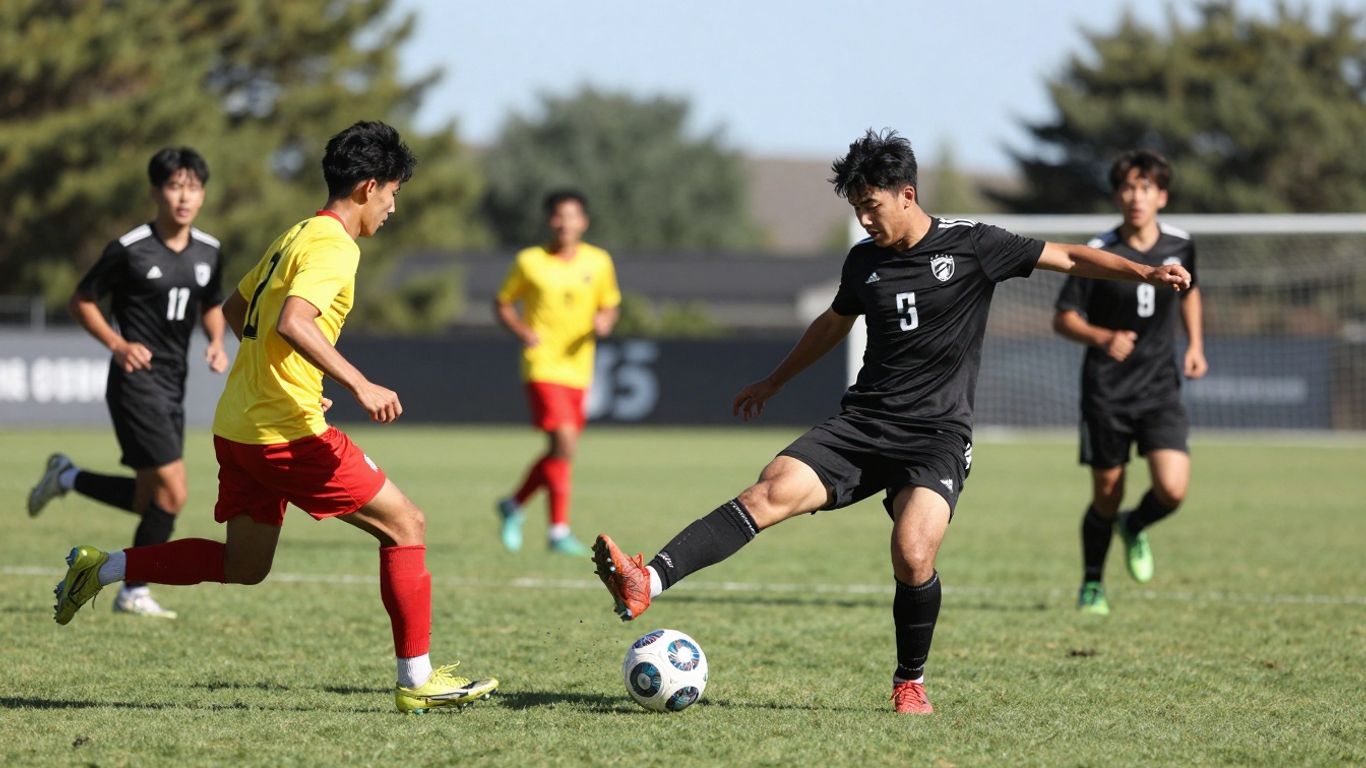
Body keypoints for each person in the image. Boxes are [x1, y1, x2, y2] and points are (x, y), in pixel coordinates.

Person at [590, 129, 1191, 715]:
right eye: (856, 209)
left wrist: (1143, 273)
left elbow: (1067, 256)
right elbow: (832, 324)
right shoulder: (863, 263)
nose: (864, 221)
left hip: (937, 437)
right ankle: (649, 580)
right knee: (768, 491)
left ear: (906, 193)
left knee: (912, 554)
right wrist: (775, 380)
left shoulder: (974, 244)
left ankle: (909, 681)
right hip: (863, 424)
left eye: (871, 206)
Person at [51, 121, 499, 714]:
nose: (393, 207)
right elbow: (293, 320)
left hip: (239, 425)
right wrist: (358, 382)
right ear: (368, 187)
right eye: (393, 193)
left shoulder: (296, 233)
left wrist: (294, 379)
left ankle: (102, 568)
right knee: (407, 524)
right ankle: (417, 681)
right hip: (284, 434)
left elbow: (238, 313)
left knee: (245, 565)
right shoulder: (337, 246)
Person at [28, 147, 228, 619]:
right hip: (134, 381)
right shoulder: (130, 247)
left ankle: (67, 477)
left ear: (202, 194)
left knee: (148, 499)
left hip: (174, 382)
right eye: (175, 186)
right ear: (157, 192)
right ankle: (133, 589)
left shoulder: (210, 251)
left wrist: (217, 340)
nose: (184, 196)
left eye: (193, 187)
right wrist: (118, 345)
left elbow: (212, 302)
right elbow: (82, 301)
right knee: (174, 493)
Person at [1054, 149, 1206, 616]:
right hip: (1107, 391)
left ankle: (1134, 525)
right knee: (1106, 493)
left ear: (1161, 195)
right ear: (1117, 195)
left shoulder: (1181, 244)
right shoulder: (1098, 249)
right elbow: (1063, 318)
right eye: (1127, 187)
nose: (1135, 197)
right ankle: (1093, 584)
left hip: (1159, 387)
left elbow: (1191, 291)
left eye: (1145, 188)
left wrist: (1195, 345)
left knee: (1173, 489)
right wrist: (1102, 336)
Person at [493, 189, 620, 556]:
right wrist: (521, 330)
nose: (565, 223)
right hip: (542, 364)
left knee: (560, 449)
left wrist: (605, 320)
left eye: (573, 216)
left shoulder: (598, 262)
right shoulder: (530, 261)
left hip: (579, 368)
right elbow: (502, 303)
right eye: (558, 216)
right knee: (565, 442)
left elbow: (610, 305)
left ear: (584, 221)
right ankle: (558, 531)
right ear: (549, 221)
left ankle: (514, 505)